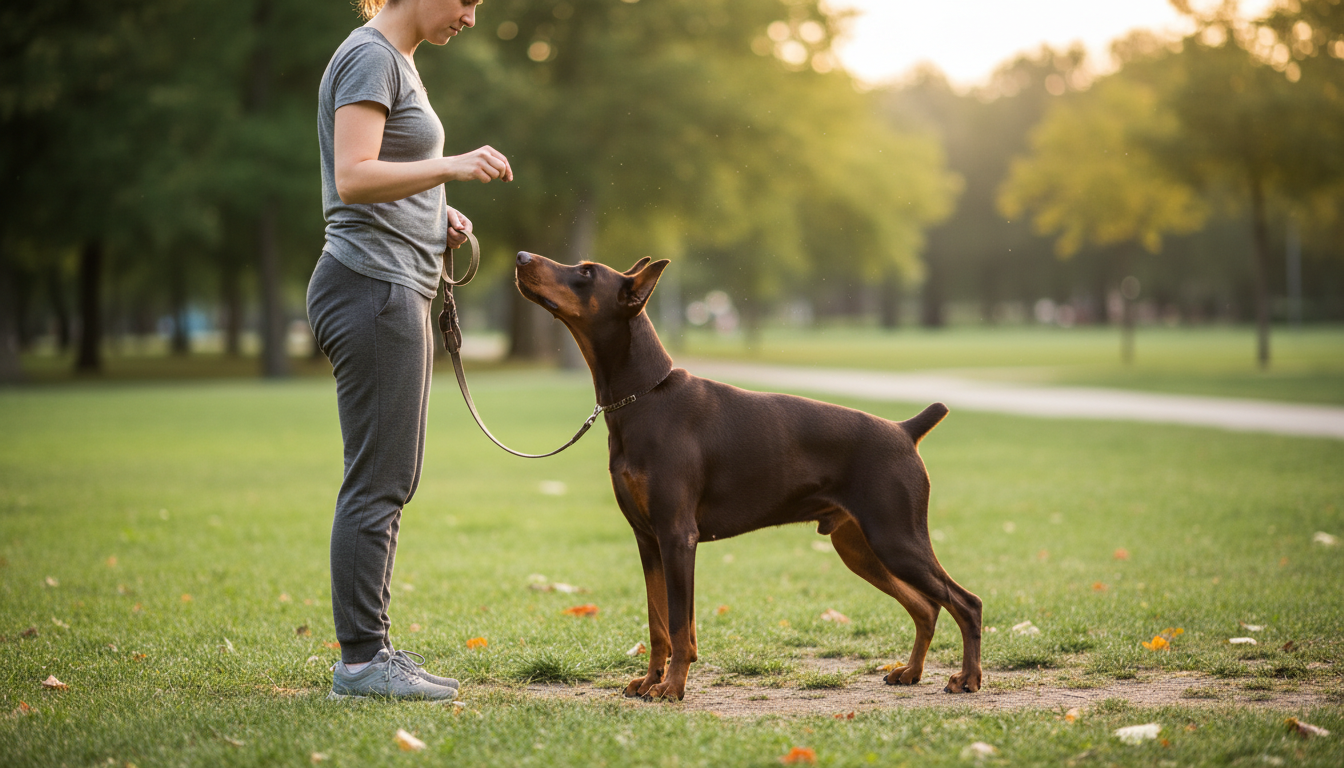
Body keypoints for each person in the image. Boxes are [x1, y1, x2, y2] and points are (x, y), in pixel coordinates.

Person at [307, 0, 511, 701]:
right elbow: (356, 175)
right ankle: (362, 665)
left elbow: (383, 174)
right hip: (370, 288)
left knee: (389, 477)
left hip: (389, 284)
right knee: (379, 480)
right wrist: (450, 163)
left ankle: (371, 651)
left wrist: (435, 210)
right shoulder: (371, 56)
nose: (472, 17)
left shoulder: (399, 63)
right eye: (467, 1)